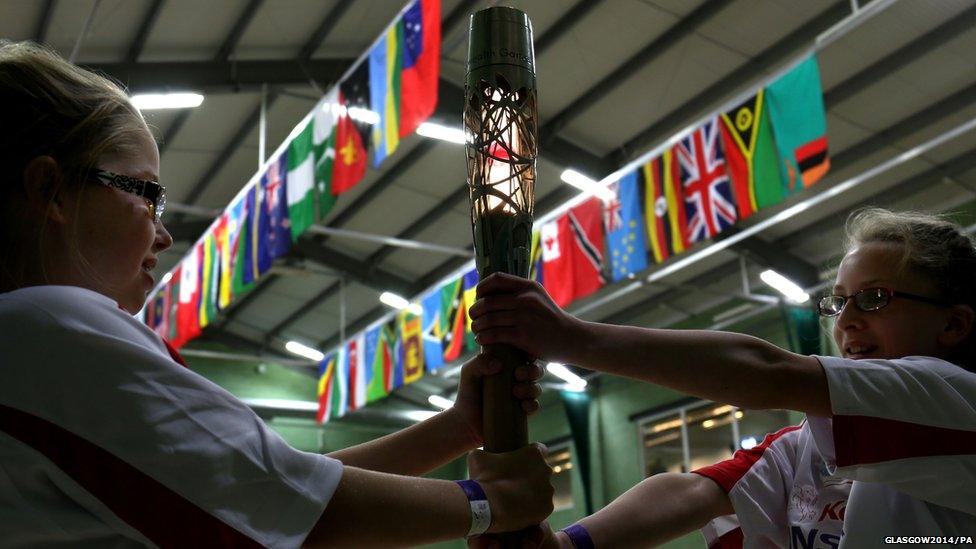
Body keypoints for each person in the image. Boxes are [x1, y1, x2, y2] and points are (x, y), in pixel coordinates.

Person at [0, 40, 554, 548]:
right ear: (51, 189)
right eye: (146, 196)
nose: (163, 234)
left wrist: (458, 428)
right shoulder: (45, 326)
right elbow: (295, 506)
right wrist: (493, 503)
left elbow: (267, 486)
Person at [470, 208, 976, 547]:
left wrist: (570, 339)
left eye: (875, 298)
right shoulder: (805, 445)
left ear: (953, 323)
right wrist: (568, 544)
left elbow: (765, 373)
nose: (846, 320)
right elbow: (695, 491)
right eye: (839, 302)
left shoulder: (958, 402)